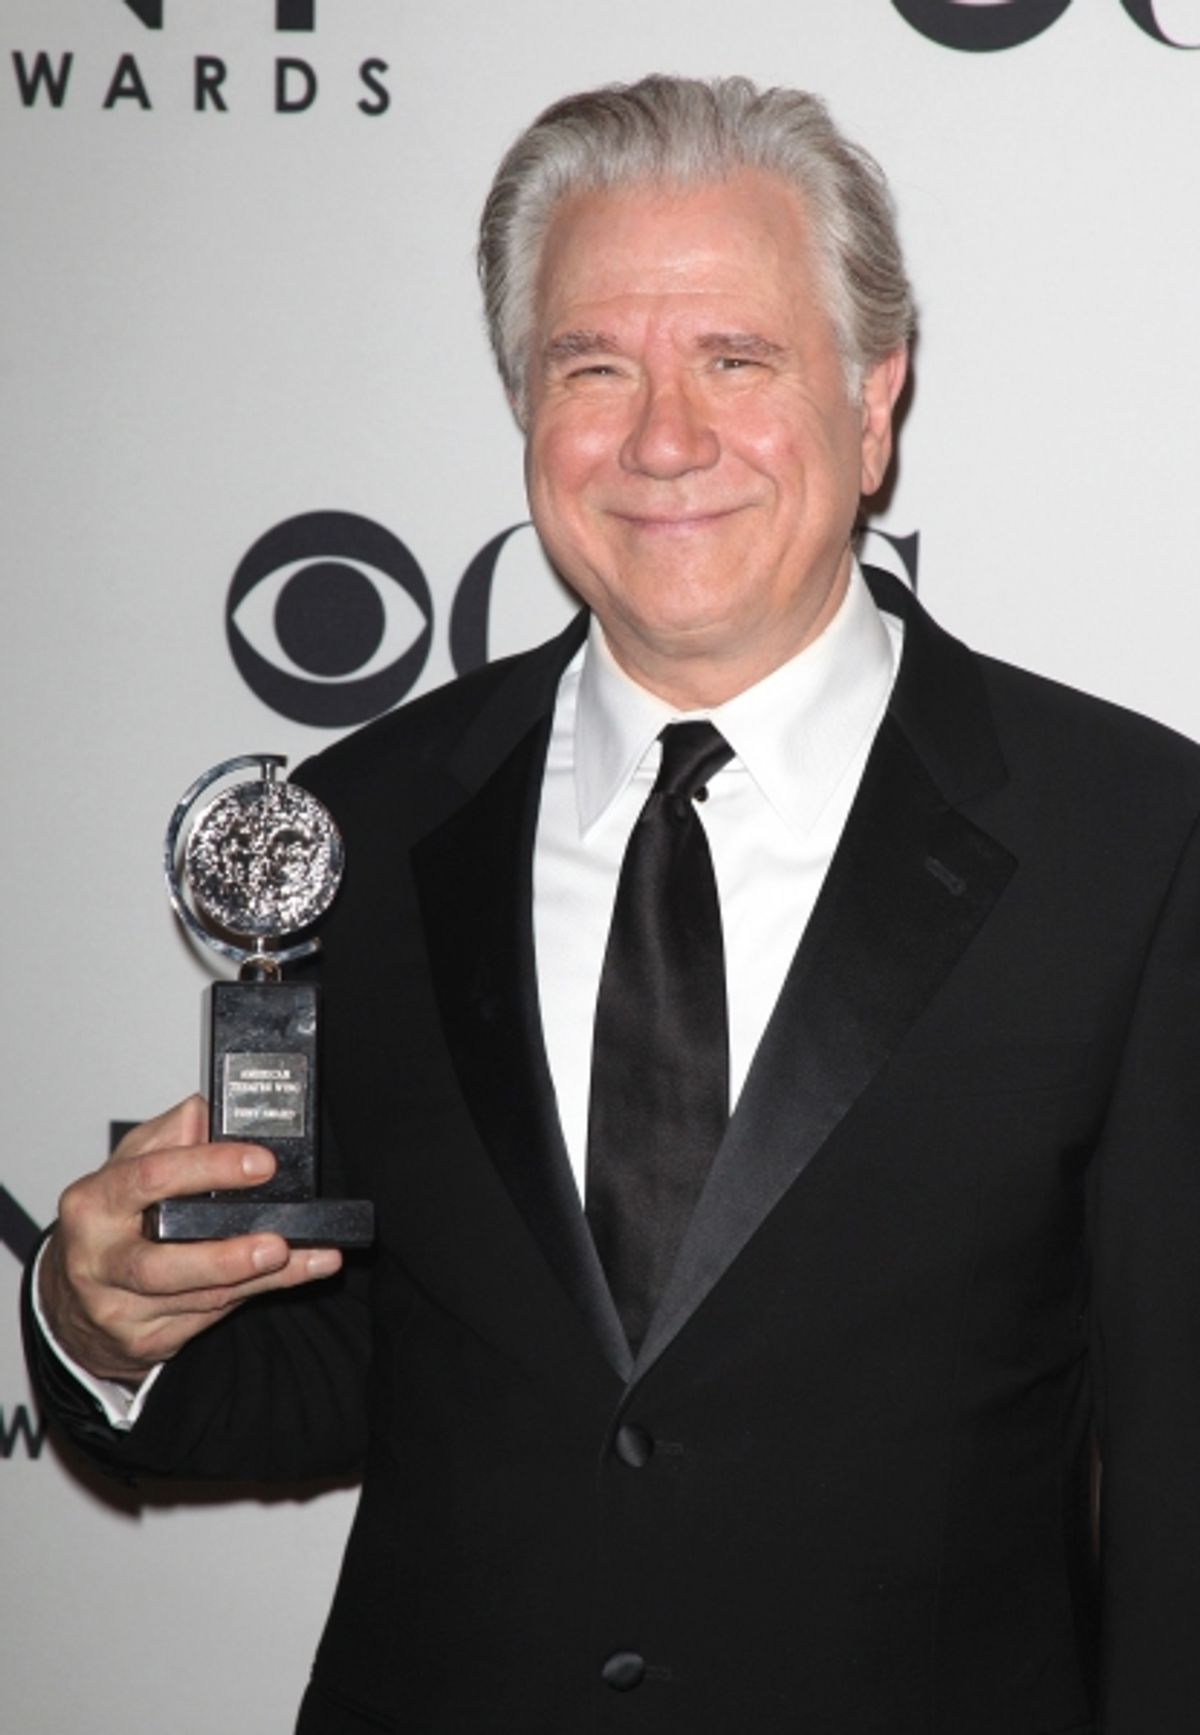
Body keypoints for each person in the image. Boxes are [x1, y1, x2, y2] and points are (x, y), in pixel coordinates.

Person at [24, 74, 1200, 1734]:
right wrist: (100, 1322)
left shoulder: (1132, 841)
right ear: (526, 411)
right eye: (596, 367)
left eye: (737, 358)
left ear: (875, 404)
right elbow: (326, 1377)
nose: (663, 438)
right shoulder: (360, 823)